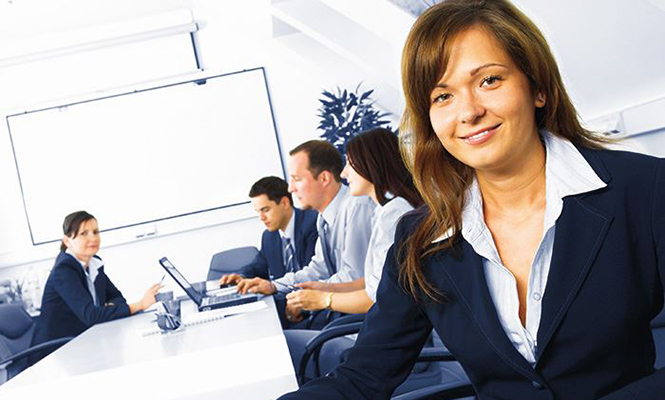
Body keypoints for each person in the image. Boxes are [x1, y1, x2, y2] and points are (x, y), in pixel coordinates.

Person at [279, 1, 664, 399]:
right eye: (442, 97)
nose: (469, 112)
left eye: (489, 81)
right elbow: (361, 378)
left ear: (539, 87)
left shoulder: (645, 191)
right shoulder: (419, 240)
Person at [285, 128, 423, 314]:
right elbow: (375, 281)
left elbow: (377, 296)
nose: (343, 173)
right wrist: (324, 288)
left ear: (371, 164)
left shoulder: (391, 213)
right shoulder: (384, 211)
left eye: (350, 163)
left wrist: (325, 299)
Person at [238, 140, 375, 324]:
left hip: (358, 321)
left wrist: (310, 297)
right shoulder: (323, 217)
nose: (290, 188)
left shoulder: (356, 207)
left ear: (324, 179)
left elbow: (355, 277)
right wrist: (274, 286)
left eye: (297, 179)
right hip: (339, 315)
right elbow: (318, 269)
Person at [33, 211, 162, 352]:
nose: (93, 238)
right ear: (67, 241)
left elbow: (117, 298)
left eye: (95, 232)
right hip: (55, 352)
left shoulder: (94, 263)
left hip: (84, 341)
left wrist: (105, 310)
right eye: (84, 234)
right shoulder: (64, 270)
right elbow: (92, 316)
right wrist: (140, 305)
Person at [218, 176, 318, 284]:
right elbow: (257, 267)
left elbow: (312, 274)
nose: (261, 218)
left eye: (265, 210)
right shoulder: (269, 236)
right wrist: (241, 276)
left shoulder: (312, 224)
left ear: (285, 203)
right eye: (258, 212)